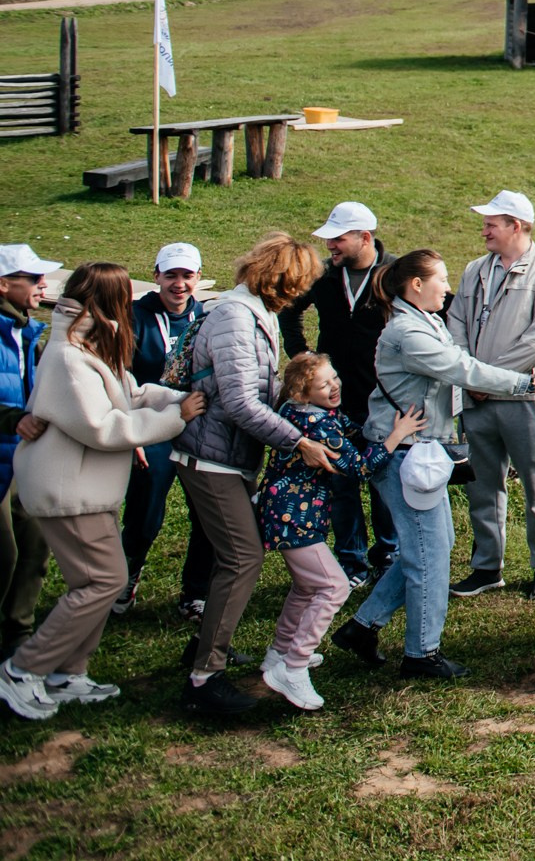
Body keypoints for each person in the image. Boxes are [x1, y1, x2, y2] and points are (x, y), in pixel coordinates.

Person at [333, 249, 535, 682]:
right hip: (403, 456)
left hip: (418, 451)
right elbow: (461, 367)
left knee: (433, 546)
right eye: (441, 279)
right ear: (416, 285)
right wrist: (534, 383)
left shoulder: (424, 322)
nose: (448, 288)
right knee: (428, 557)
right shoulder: (407, 333)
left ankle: (362, 627)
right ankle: (421, 654)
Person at [0, 263, 199, 721]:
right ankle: (21, 669)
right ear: (107, 301)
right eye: (124, 296)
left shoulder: (91, 343)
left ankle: (68, 673)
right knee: (104, 581)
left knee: (96, 583)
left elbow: (128, 393)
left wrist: (173, 397)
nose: (131, 304)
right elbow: (102, 426)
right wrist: (177, 418)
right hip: (66, 489)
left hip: (89, 487)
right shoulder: (69, 356)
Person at [174, 233, 334, 718]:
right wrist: (299, 440)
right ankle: (204, 678)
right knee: (242, 558)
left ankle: (203, 648)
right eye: (297, 285)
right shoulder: (234, 317)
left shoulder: (253, 314)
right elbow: (242, 402)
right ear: (278, 279)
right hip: (211, 457)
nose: (298, 296)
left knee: (231, 554)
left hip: (230, 457)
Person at [254, 352, 418, 710]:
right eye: (323, 384)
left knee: (306, 587)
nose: (334, 386)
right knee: (334, 586)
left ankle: (277, 655)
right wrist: (396, 436)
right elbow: (359, 469)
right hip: (294, 518)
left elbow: (350, 431)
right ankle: (294, 667)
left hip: (285, 513)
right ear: (301, 392)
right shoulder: (320, 427)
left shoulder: (299, 414)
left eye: (335, 378)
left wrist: (372, 431)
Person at [445, 190, 535, 602]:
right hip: (477, 399)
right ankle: (486, 566)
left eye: (491, 224)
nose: (484, 232)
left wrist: (488, 377)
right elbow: (456, 321)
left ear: (516, 225)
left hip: (523, 401)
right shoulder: (474, 269)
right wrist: (466, 370)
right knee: (481, 484)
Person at [277, 202, 394, 586]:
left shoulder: (393, 273)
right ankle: (351, 560)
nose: (330, 245)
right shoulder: (325, 277)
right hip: (331, 403)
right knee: (341, 482)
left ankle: (387, 555)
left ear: (365, 237)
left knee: (382, 483)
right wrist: (303, 357)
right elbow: (288, 312)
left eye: (338, 237)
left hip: (380, 397)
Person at [119, 243, 212, 618]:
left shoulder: (207, 316)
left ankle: (196, 592)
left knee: (206, 511)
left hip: (198, 426)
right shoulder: (134, 316)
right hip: (152, 426)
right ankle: (127, 577)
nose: (179, 284)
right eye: (171, 275)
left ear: (199, 279)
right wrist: (132, 434)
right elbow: (119, 377)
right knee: (145, 509)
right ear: (155, 275)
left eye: (187, 276)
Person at [0, 245, 57, 657]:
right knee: (4, 554)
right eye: (33, 279)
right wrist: (12, 418)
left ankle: (18, 636)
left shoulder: (26, 331)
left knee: (35, 544)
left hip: (23, 459)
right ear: (4, 285)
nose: (43, 285)